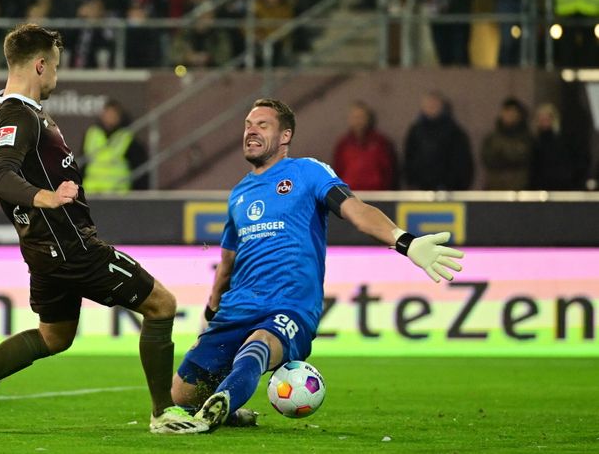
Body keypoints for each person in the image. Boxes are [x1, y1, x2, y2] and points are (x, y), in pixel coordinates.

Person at [0, 24, 209, 435]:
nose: (57, 76)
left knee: (55, 336)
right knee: (162, 305)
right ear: (39, 65)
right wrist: (46, 197)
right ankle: (164, 413)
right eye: (55, 67)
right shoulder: (17, 115)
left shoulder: (7, 112)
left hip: (44, 249)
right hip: (71, 246)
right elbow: (1, 177)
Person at [173, 98, 463, 431]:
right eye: (248, 125)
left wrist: (403, 240)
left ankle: (222, 403)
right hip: (237, 307)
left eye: (262, 125)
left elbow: (355, 210)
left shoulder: (308, 172)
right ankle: (230, 410)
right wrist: (210, 315)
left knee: (259, 346)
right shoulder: (239, 193)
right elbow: (227, 264)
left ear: (285, 136)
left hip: (290, 304)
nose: (251, 130)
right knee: (182, 395)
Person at [403, 91, 474, 190]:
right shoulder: (415, 130)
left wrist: (455, 183)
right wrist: (412, 181)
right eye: (427, 105)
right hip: (421, 188)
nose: (430, 107)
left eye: (434, 104)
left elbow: (461, 160)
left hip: (449, 189)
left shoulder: (454, 131)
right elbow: (409, 157)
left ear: (442, 106)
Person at [81, 99, 148, 193]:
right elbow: (82, 163)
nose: (110, 117)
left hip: (117, 193)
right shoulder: (92, 134)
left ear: (119, 116)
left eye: (113, 114)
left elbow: (139, 168)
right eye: (107, 114)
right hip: (91, 192)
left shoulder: (126, 137)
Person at [332, 101, 398, 190]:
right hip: (351, 195)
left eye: (361, 117)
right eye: (354, 117)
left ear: (368, 118)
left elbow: (390, 171)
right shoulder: (343, 144)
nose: (358, 121)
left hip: (377, 195)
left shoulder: (381, 142)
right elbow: (337, 170)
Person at [529, 103, 588, 190]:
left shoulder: (564, 140)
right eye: (541, 118)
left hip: (562, 185)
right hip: (541, 186)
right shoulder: (534, 141)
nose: (543, 121)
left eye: (546, 118)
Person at [481, 97, 534, 190]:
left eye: (512, 112)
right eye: (506, 111)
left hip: (520, 190)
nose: (509, 115)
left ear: (519, 115)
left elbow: (525, 158)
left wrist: (503, 153)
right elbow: (488, 159)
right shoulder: (492, 138)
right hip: (495, 189)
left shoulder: (527, 138)